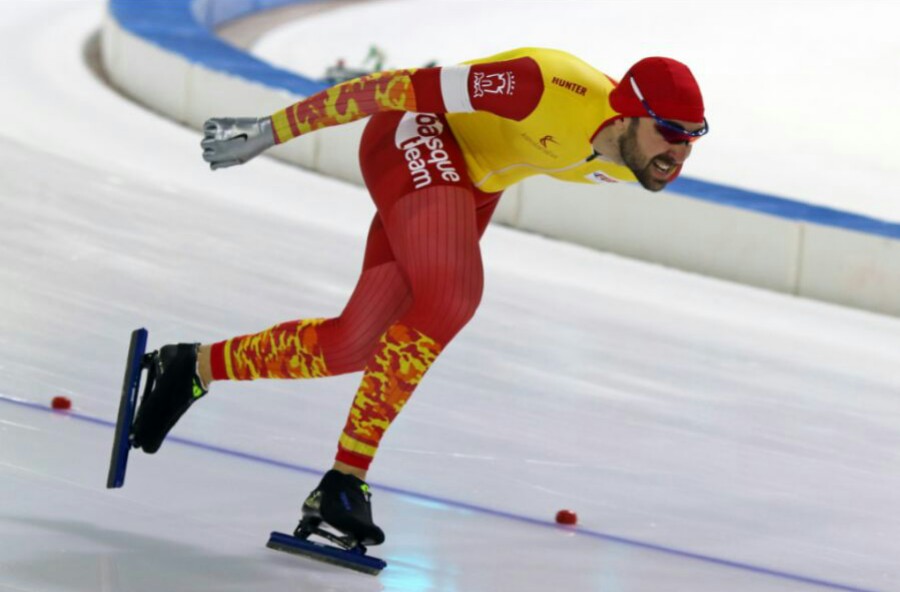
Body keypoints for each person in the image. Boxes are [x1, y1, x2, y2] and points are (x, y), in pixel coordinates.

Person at [131, 47, 708, 547]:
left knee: (351, 345)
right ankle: (344, 480)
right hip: (414, 133)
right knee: (452, 294)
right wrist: (268, 130)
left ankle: (191, 366)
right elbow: (391, 89)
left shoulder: (636, 162)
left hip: (471, 187)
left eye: (692, 138)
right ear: (628, 113)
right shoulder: (541, 84)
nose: (678, 154)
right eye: (669, 133)